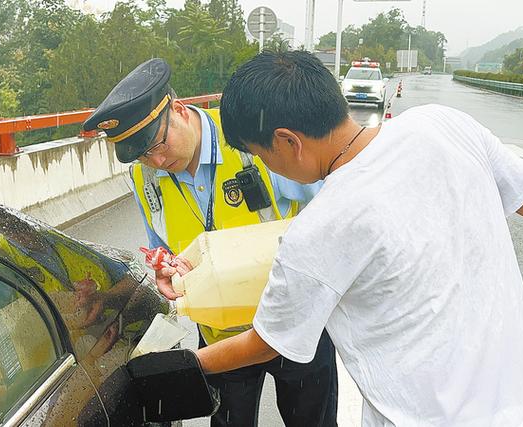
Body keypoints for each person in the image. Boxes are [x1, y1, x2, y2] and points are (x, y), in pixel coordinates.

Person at [193, 51, 523, 426]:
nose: (269, 167)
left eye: (263, 156)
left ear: (287, 141)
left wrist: (181, 364)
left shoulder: (319, 230)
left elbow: (267, 342)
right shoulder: (444, 124)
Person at [83, 58, 338, 427]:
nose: (156, 159)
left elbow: (330, 214)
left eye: (158, 143)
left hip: (295, 327)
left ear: (179, 110)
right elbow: (165, 251)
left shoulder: (250, 138)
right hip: (223, 340)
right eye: (142, 155)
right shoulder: (147, 178)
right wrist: (168, 271)